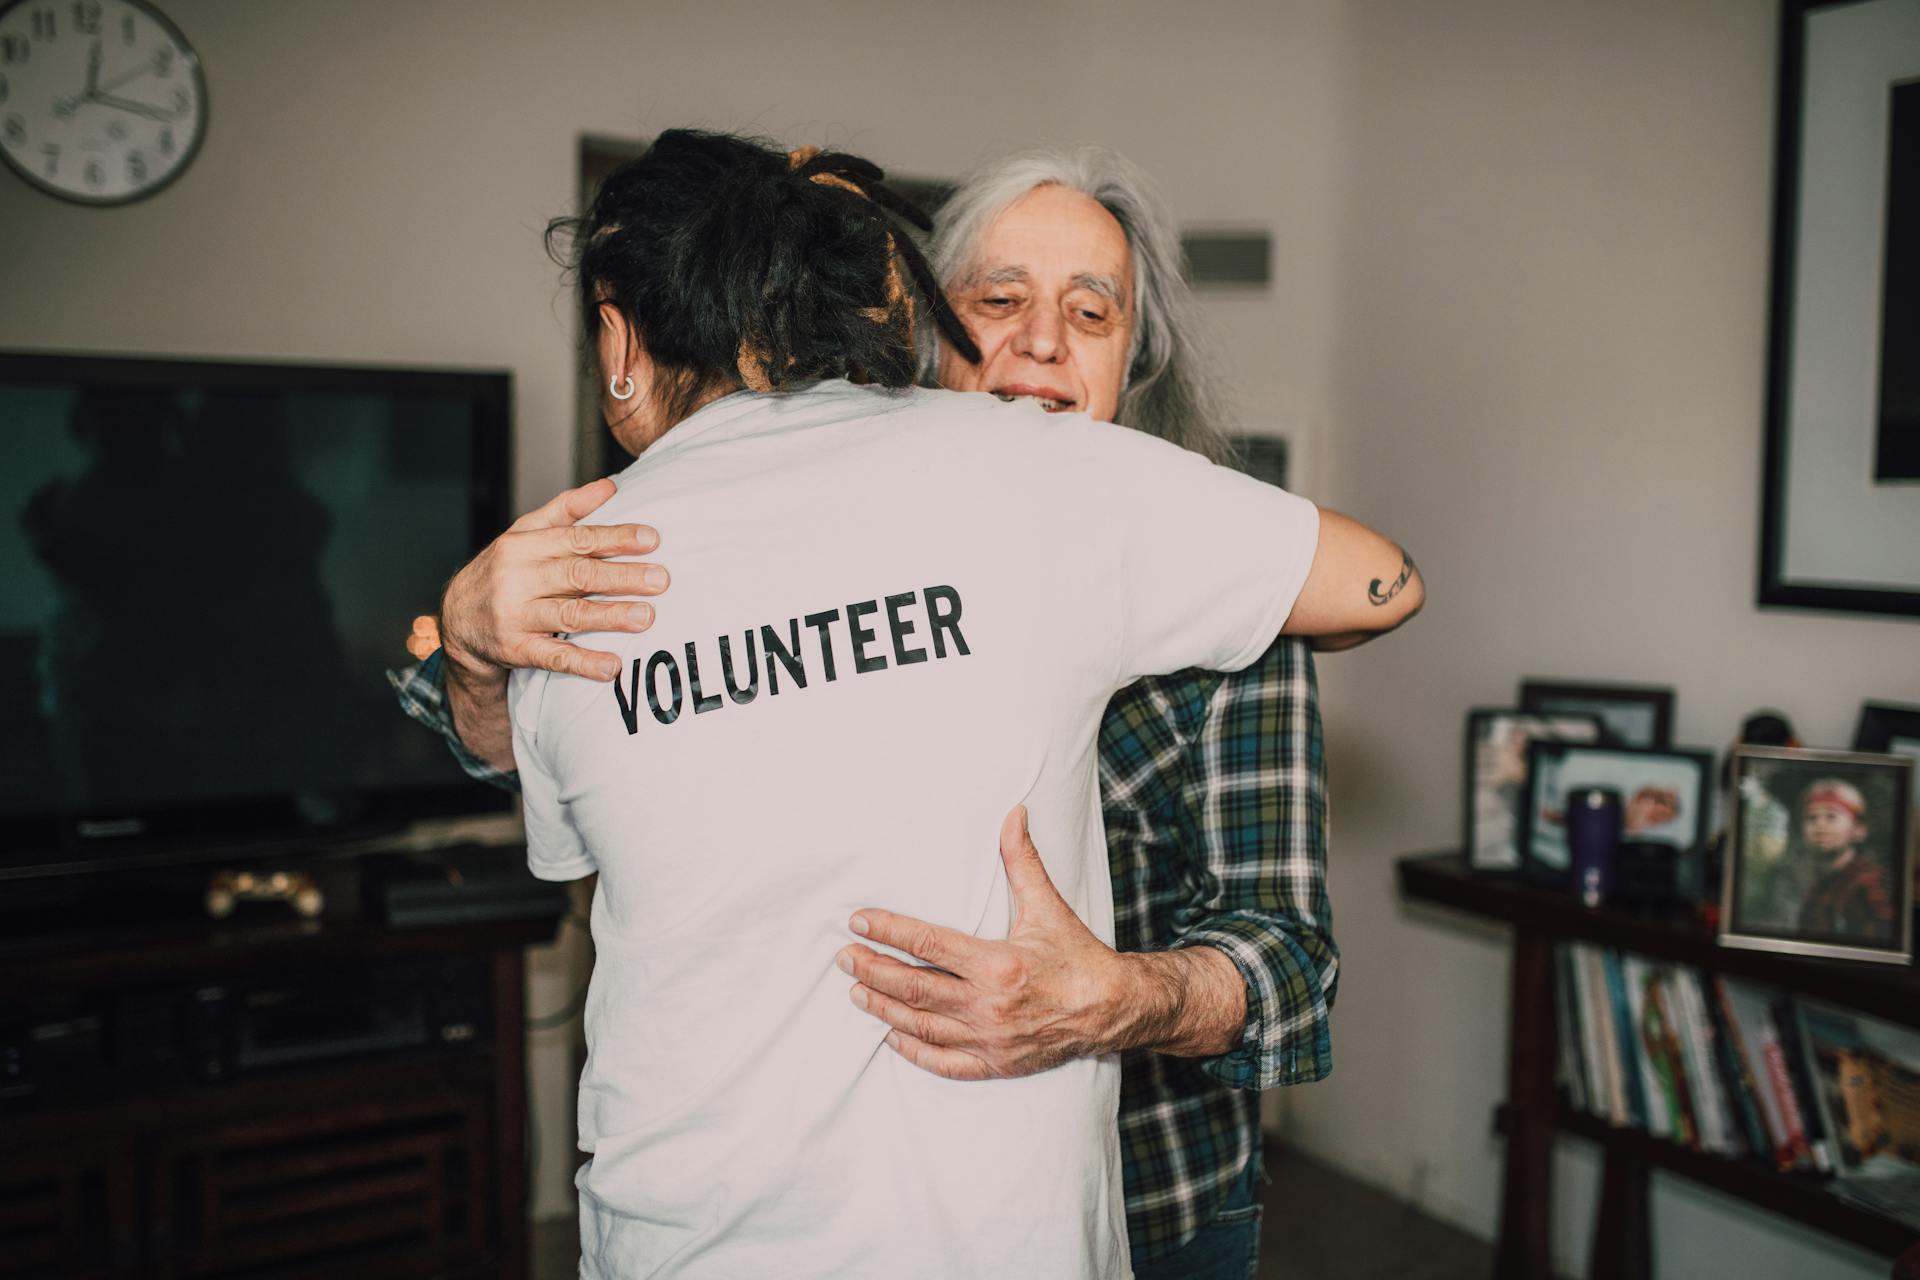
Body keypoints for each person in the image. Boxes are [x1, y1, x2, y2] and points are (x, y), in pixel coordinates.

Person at [393, 145, 1391, 1279]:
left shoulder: (1231, 598)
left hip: (1154, 1199)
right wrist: (472, 637)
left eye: (1092, 310)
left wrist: (1119, 996)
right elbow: (551, 747)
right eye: (999, 301)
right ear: (915, 327)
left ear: (1134, 357)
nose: (1045, 341)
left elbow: (1294, 961)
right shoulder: (793, 515)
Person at [1795, 779, 1896, 944]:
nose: (1819, 824)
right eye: (1812, 818)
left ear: (1859, 830)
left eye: (1831, 816)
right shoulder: (1815, 891)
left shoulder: (1871, 885)